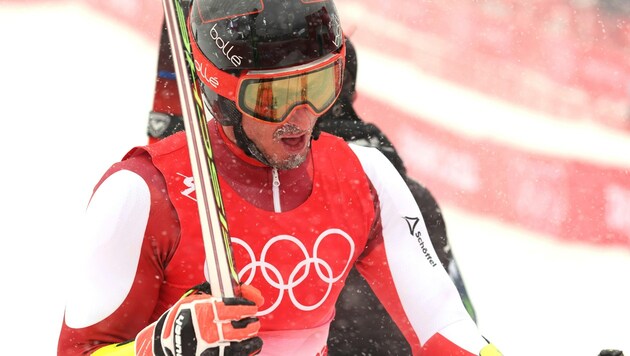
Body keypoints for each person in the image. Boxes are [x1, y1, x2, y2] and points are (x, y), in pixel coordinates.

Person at [57, 0, 502, 355]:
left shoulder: (365, 177)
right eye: (276, 97)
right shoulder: (141, 193)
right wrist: (157, 348)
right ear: (223, 91)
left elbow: (443, 326)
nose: (303, 116)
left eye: (320, 85)